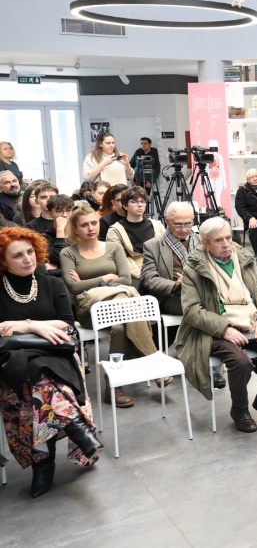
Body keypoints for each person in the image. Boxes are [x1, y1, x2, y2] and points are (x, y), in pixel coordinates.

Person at [0, 228, 104, 498]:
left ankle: (43, 465)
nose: (28, 259)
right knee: (38, 378)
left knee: (41, 379)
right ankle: (75, 426)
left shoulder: (52, 284)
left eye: (30, 252)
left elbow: (67, 326)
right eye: (17, 255)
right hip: (14, 359)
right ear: (3, 261)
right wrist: (36, 327)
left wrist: (23, 325)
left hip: (55, 353)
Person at [176, 217, 257, 433]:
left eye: (228, 238)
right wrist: (224, 329)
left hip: (250, 324)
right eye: (218, 240)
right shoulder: (194, 268)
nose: (226, 244)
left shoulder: (244, 258)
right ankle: (239, 410)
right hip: (213, 331)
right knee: (241, 362)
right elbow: (192, 311)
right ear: (205, 243)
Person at [59, 202, 160, 408]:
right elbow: (73, 287)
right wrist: (105, 278)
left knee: (119, 327)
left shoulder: (113, 247)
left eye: (94, 223)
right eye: (84, 225)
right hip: (89, 308)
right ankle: (154, 364)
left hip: (118, 307)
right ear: (75, 229)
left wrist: (88, 282)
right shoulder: (68, 253)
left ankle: (113, 386)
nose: (91, 228)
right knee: (123, 296)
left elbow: (126, 279)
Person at [141, 201, 197, 316]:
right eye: (178, 225)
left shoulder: (202, 242)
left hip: (201, 292)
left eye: (188, 224)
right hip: (173, 296)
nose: (183, 229)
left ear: (193, 220)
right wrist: (174, 285)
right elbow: (148, 277)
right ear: (167, 222)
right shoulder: (153, 245)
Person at [105, 187, 165, 284]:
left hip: (159, 269)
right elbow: (119, 259)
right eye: (134, 202)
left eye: (142, 201)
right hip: (133, 273)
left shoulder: (157, 225)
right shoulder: (115, 230)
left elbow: (166, 250)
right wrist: (144, 275)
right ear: (125, 206)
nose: (140, 205)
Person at [234, 168, 257, 265]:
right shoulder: (242, 191)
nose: (255, 178)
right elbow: (240, 208)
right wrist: (249, 218)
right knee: (254, 229)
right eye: (252, 177)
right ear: (247, 179)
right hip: (253, 218)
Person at [30, 193, 71, 268]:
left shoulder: (79, 230)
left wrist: (57, 267)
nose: (65, 215)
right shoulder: (45, 238)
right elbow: (59, 259)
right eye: (59, 211)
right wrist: (60, 230)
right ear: (50, 213)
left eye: (68, 210)